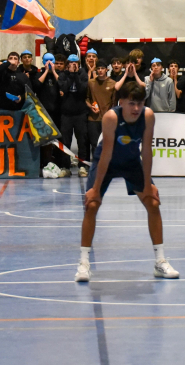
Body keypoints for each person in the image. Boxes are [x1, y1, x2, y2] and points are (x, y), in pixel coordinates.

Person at [76, 81, 179, 282]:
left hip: (131, 162)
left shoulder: (148, 116)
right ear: (121, 102)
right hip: (106, 162)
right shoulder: (111, 117)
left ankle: (160, 262)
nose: (136, 108)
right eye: (131, 103)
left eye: (140, 103)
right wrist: (95, 189)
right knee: (92, 205)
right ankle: (83, 263)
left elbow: (147, 151)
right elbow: (106, 154)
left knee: (153, 203)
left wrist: (148, 184)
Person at [58, 54, 92, 170]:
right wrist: (71, 75)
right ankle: (65, 167)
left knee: (82, 141)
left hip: (80, 113)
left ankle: (82, 166)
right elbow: (64, 89)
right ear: (67, 64)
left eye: (76, 63)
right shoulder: (62, 75)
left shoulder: (83, 74)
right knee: (65, 141)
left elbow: (82, 90)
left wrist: (75, 75)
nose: (73, 65)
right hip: (66, 114)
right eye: (71, 63)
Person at [87, 62, 116, 155]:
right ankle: (96, 163)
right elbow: (86, 98)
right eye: (98, 68)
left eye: (102, 68)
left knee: (108, 144)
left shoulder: (113, 83)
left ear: (106, 69)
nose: (100, 70)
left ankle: (107, 163)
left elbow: (114, 103)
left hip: (107, 119)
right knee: (94, 144)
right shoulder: (91, 82)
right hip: (93, 118)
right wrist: (90, 106)